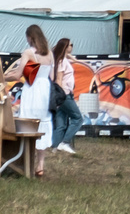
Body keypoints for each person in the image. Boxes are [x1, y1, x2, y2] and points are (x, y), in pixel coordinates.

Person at [14, 23, 55, 180]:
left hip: (32, 89)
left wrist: (3, 77)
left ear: (30, 37)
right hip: (45, 89)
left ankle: (26, 162)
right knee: (42, 123)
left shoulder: (29, 53)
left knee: (27, 122)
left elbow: (18, 75)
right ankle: (40, 165)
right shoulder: (50, 54)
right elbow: (51, 76)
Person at [46, 36, 83, 156]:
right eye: (70, 45)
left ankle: (55, 147)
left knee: (61, 123)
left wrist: (70, 57)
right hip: (65, 94)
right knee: (78, 118)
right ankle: (65, 142)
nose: (72, 47)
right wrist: (61, 95)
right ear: (65, 47)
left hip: (64, 94)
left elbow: (74, 60)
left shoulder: (61, 59)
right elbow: (59, 80)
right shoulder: (61, 62)